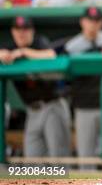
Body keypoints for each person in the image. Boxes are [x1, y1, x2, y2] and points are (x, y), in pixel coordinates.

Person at [0, 16, 71, 158]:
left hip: (52, 105)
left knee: (58, 159)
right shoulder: (10, 46)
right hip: (31, 110)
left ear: (31, 31)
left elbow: (50, 55)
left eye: (25, 29)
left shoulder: (40, 42)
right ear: (13, 32)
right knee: (32, 160)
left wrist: (23, 52)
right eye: (17, 29)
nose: (21, 33)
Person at [65, 7, 102, 164]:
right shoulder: (72, 46)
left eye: (96, 21)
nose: (93, 24)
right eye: (89, 20)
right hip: (84, 106)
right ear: (82, 22)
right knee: (86, 158)